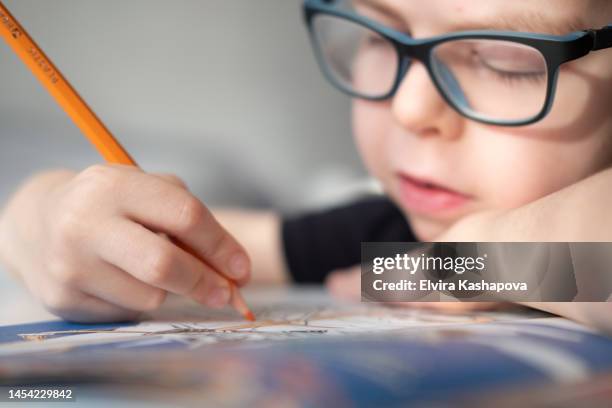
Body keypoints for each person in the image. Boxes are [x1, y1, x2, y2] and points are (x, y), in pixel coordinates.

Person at [0, 0, 610, 331]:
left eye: (507, 61)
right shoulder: (381, 233)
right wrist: (44, 212)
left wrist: (488, 264)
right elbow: (199, 247)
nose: (409, 106)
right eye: (377, 34)